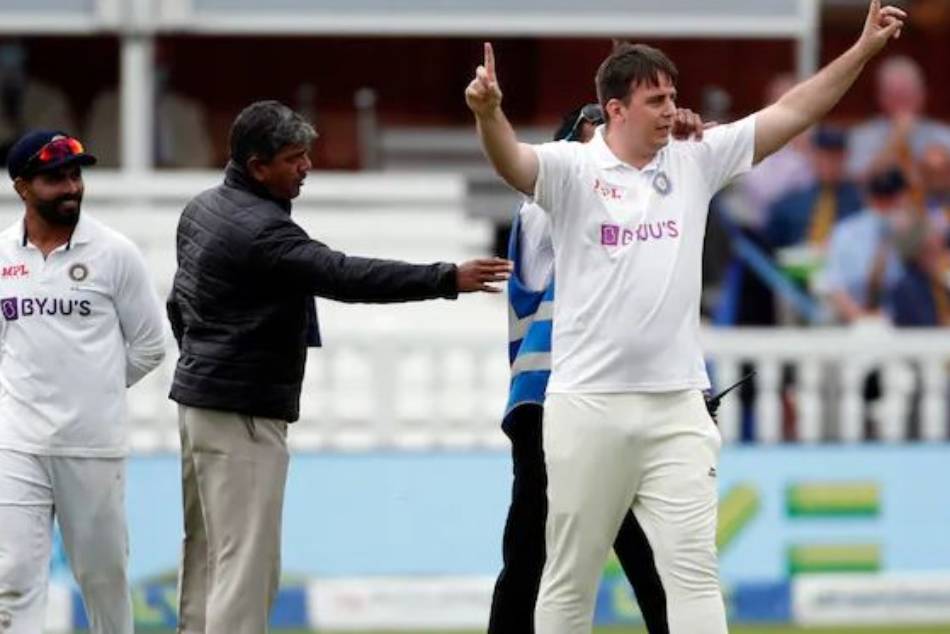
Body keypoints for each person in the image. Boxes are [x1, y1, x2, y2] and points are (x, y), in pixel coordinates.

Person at [465, 2, 905, 632]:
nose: (671, 109)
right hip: (587, 403)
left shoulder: (697, 159)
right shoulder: (571, 169)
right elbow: (511, 162)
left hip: (676, 404)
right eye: (655, 100)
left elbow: (796, 111)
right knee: (568, 580)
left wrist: (861, 51)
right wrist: (488, 115)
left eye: (673, 96)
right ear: (614, 110)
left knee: (694, 571)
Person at [166, 100, 512, 634]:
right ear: (258, 166)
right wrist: (446, 277)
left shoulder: (202, 208)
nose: (306, 167)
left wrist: (202, 363)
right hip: (242, 412)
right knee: (247, 566)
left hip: (198, 402)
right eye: (293, 158)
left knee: (206, 554)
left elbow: (178, 303)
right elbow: (345, 276)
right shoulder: (263, 232)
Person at [491, 102, 707, 634]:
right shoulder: (546, 206)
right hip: (551, 405)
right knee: (534, 559)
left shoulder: (622, 205)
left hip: (606, 401)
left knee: (648, 561)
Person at [0, 130, 166, 634]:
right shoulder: (2, 253)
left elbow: (151, 345)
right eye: (55, 178)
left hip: (93, 446)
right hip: (17, 443)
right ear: (23, 186)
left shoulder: (115, 253)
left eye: (75, 175)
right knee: (11, 581)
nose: (71, 186)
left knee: (103, 581)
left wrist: (94, 391)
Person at [821, 167, 910, 323]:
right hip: (852, 322)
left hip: (903, 322)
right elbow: (834, 285)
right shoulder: (846, 232)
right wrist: (862, 320)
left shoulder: (913, 232)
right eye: (881, 196)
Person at [846, 55, 950, 180]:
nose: (902, 104)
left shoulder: (943, 135)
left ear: (922, 95)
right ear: (881, 98)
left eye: (907, 95)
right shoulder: (862, 136)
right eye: (895, 96)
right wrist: (895, 142)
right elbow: (854, 181)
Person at [766, 126, 864, 249]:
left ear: (845, 157)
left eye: (834, 156)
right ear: (812, 156)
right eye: (821, 156)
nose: (828, 163)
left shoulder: (860, 203)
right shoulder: (787, 205)